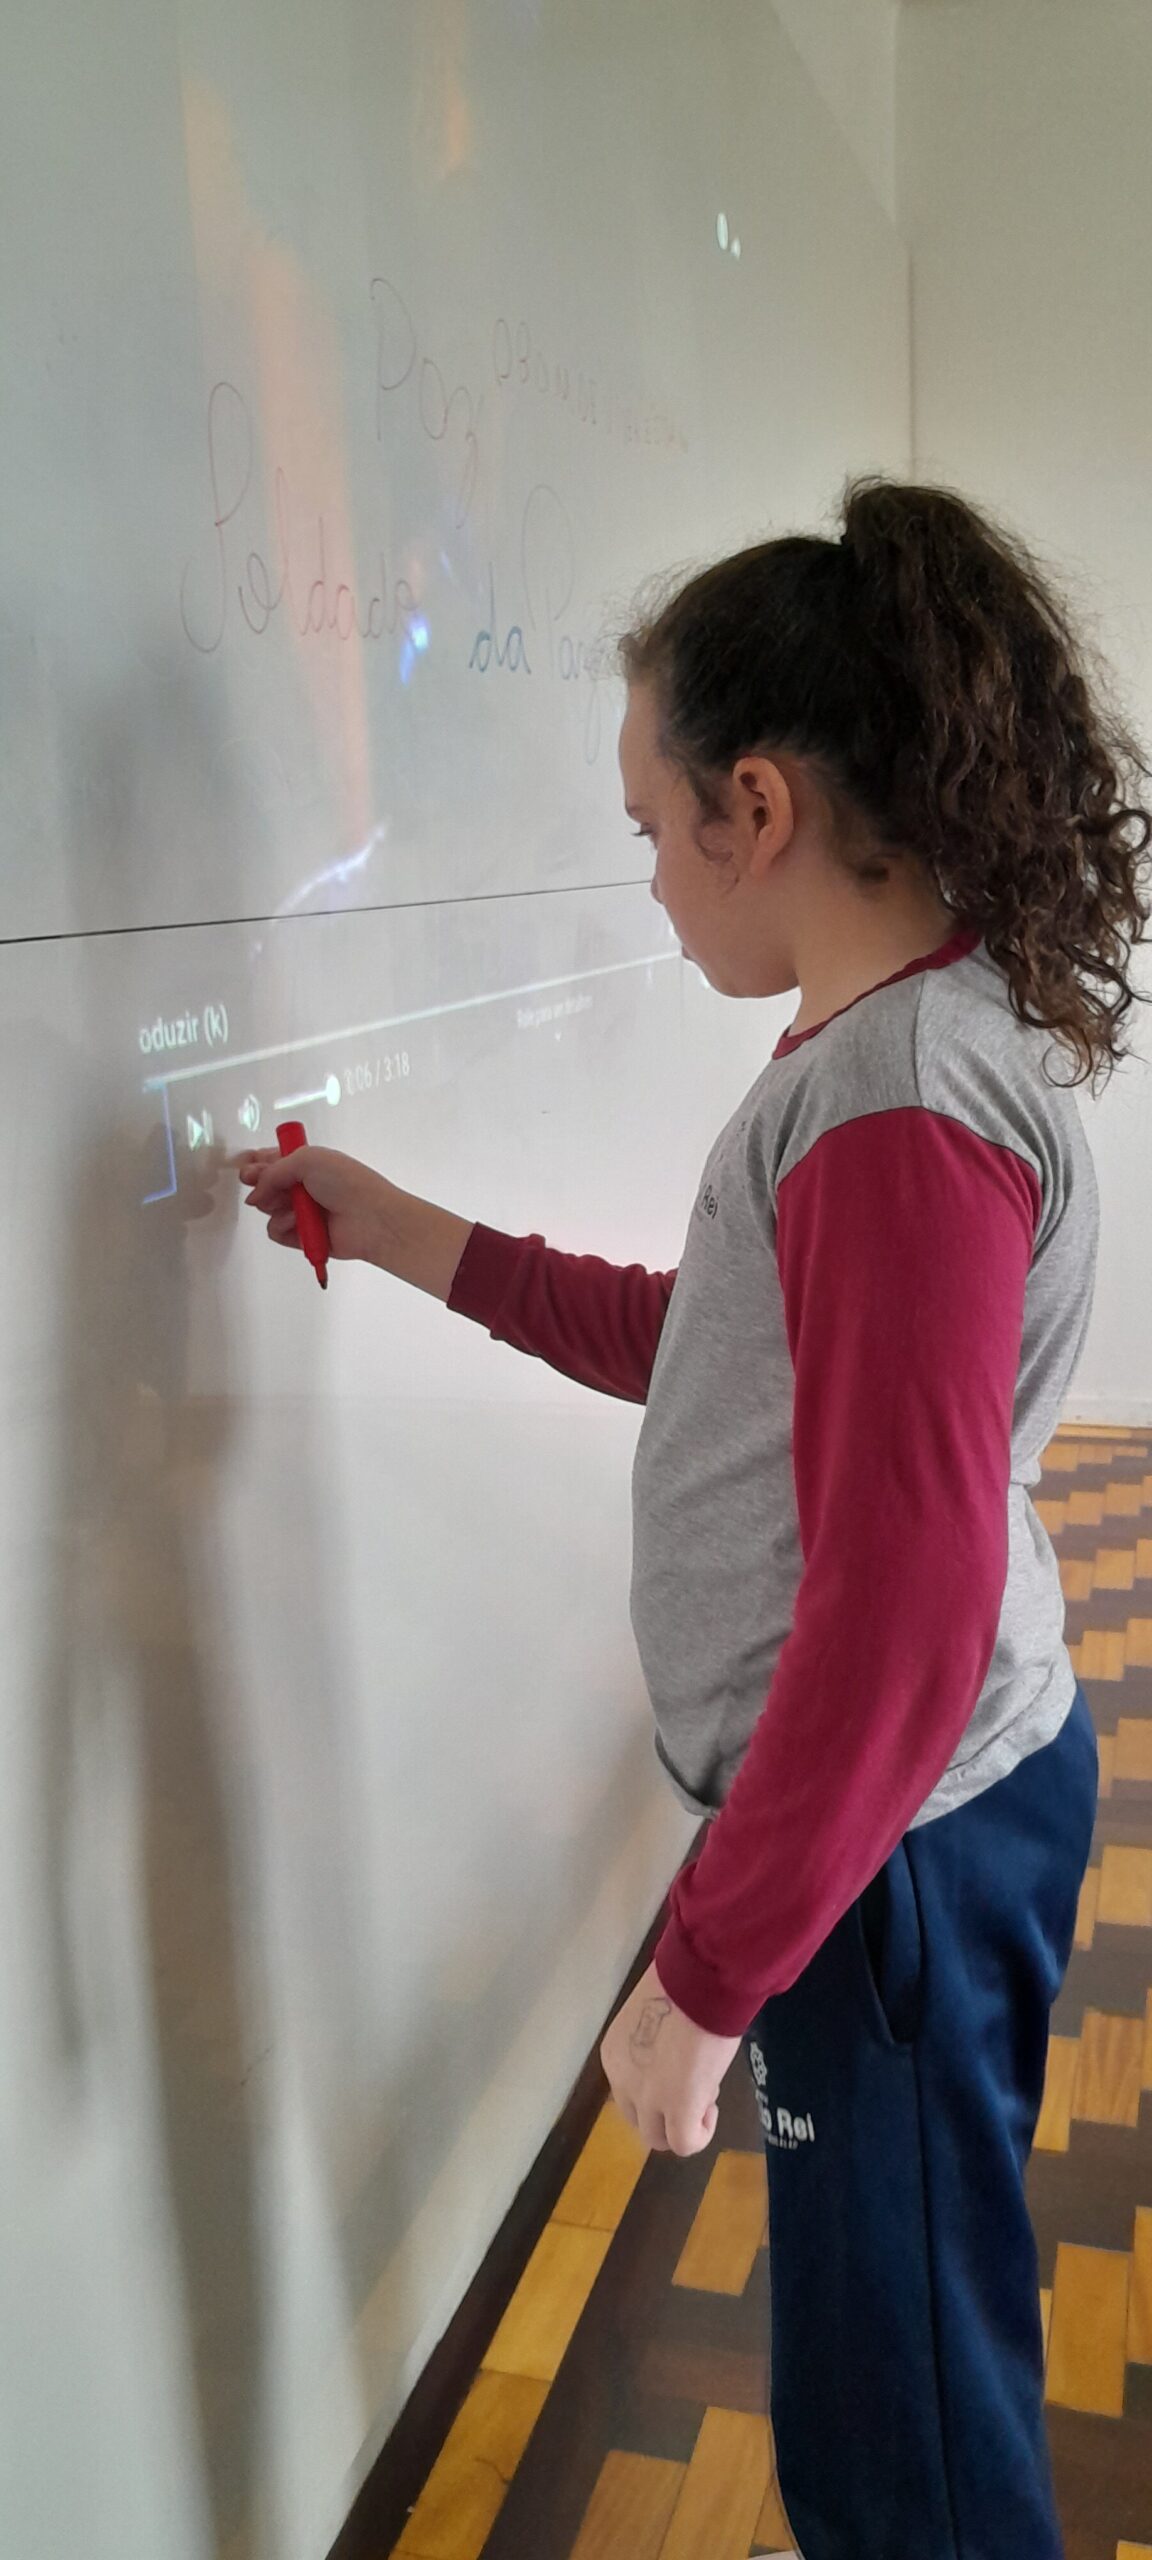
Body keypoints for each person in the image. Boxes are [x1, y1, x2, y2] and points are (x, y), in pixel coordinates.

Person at [238, 476, 1152, 2559]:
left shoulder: (895, 1111)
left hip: (891, 1858)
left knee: (901, 2441)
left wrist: (704, 1974)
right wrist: (405, 1229)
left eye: (651, 827)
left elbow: (903, 1610)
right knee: (909, 2364)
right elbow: (712, 1343)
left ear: (758, 806)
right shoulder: (899, 1042)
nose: (649, 880)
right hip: (914, 1830)